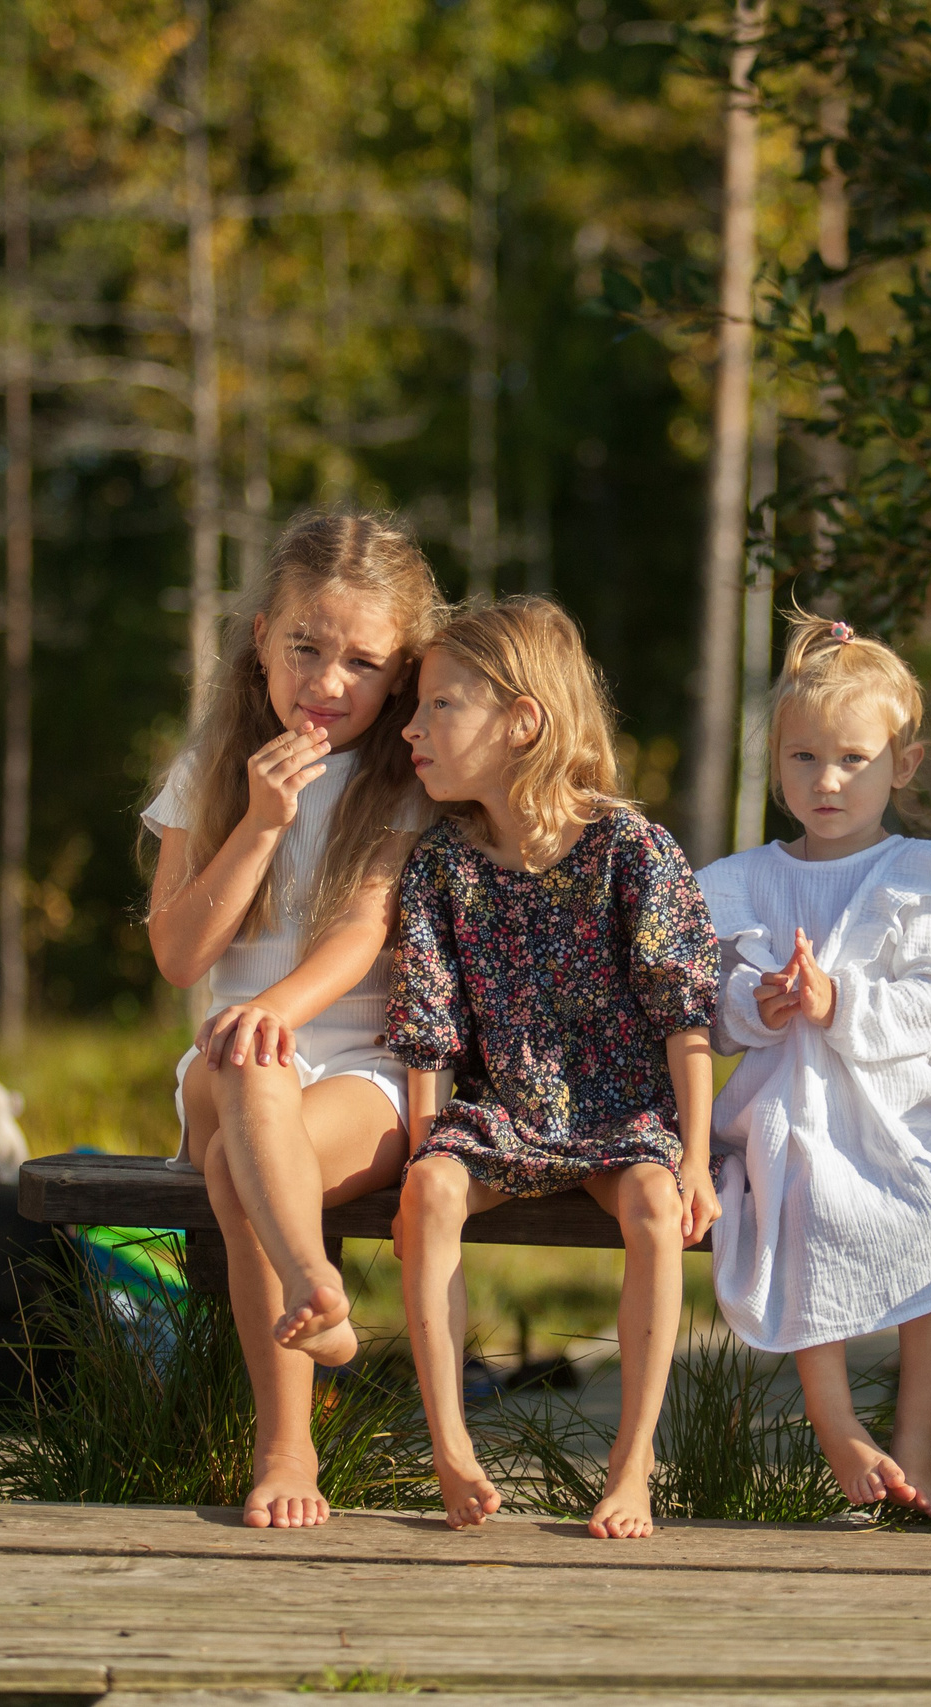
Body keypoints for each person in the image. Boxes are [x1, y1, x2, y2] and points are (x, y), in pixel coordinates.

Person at [388, 597, 718, 1538]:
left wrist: (693, 1158)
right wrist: (423, 1152)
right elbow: (428, 1029)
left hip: (622, 1114)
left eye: (441, 705)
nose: (412, 726)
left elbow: (683, 1015)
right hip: (502, 1111)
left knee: (658, 1208)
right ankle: (451, 1445)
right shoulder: (441, 863)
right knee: (431, 1193)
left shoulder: (632, 849)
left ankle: (632, 1460)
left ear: (523, 720)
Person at [142, 510, 443, 1529]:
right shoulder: (216, 770)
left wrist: (272, 1010)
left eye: (360, 662)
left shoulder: (404, 781)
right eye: (305, 648)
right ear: (262, 636)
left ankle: (287, 1450)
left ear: (398, 674)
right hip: (226, 1063)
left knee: (241, 1164)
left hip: (360, 1066)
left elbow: (361, 936)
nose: (325, 682)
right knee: (244, 1063)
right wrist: (261, 826)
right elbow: (181, 953)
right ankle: (316, 1282)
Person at [696, 616, 931, 1518]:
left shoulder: (920, 874)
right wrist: (764, 1005)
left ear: (902, 764)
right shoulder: (746, 879)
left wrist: (843, 1005)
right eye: (802, 759)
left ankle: (915, 1433)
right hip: (789, 1110)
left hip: (903, 1114)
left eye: (853, 759)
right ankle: (836, 1424)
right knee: (801, 1196)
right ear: (777, 761)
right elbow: (705, 1012)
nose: (826, 781)